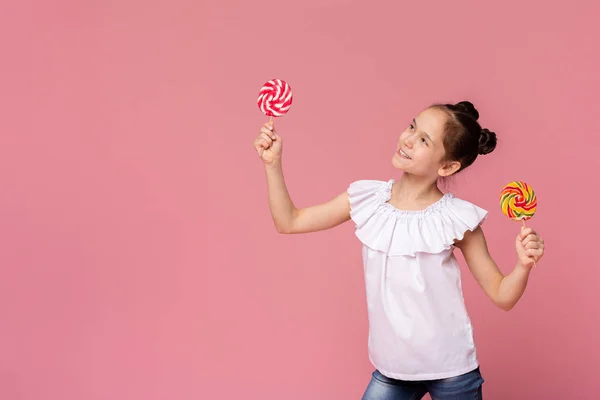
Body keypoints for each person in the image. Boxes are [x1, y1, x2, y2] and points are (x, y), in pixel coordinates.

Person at [253, 101, 545, 399]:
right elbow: (289, 221)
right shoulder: (366, 198)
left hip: (451, 370)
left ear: (447, 166)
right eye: (412, 126)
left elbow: (502, 295)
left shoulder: (456, 219)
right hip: (392, 370)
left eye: (423, 140)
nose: (407, 139)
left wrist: (523, 265)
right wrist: (272, 164)